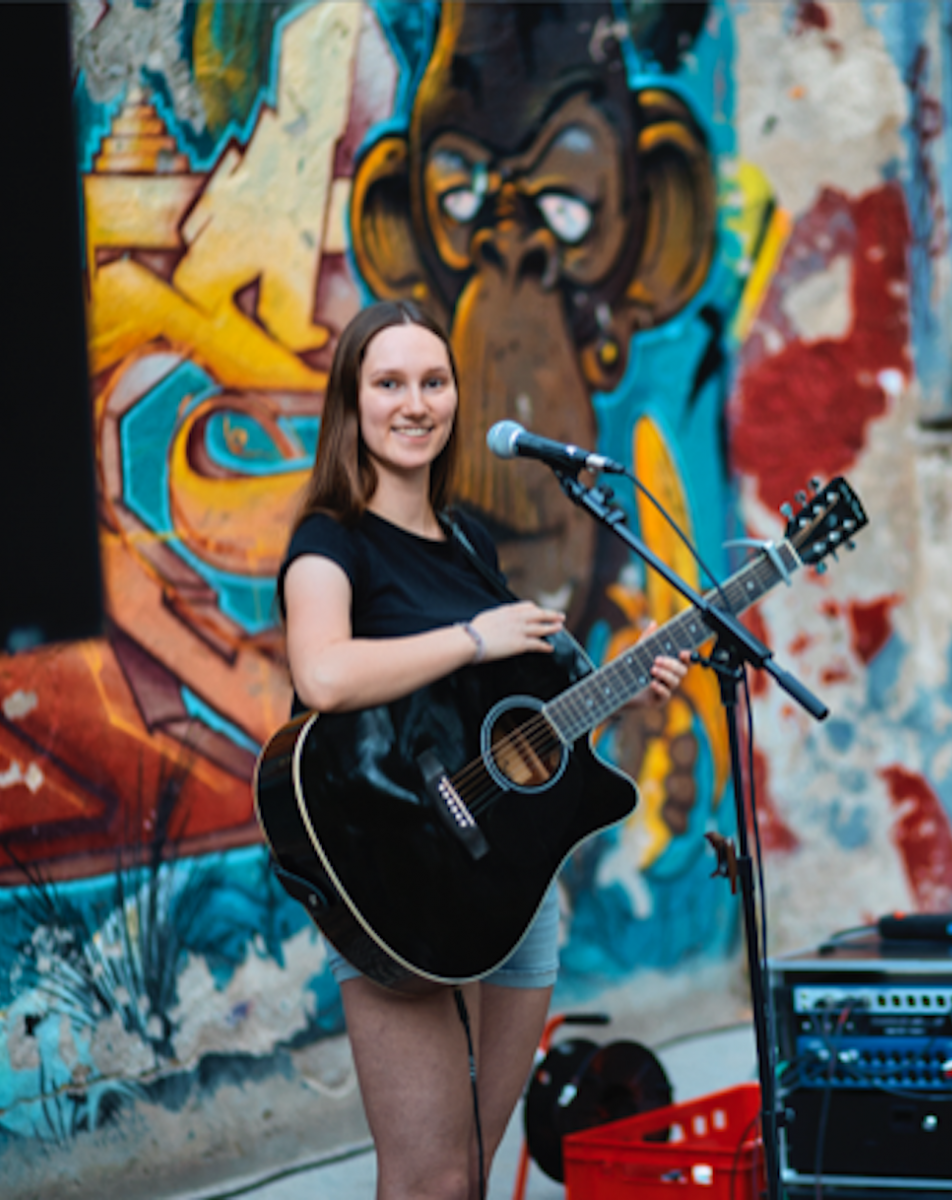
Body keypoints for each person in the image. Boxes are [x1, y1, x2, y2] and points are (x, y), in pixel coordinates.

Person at [277, 299, 690, 1200]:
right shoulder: (328, 546)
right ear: (353, 402)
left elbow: (517, 729)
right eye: (389, 383)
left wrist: (627, 695)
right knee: (426, 1176)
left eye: (433, 381)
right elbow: (324, 678)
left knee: (469, 1173)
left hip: (507, 889)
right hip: (398, 889)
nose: (414, 403)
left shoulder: (467, 540)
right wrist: (473, 636)